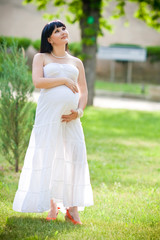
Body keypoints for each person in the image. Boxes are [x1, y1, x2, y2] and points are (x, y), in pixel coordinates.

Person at [13, 20, 94, 225]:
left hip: (71, 119)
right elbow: (38, 82)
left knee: (74, 159)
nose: (63, 32)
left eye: (64, 29)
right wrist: (64, 80)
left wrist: (79, 111)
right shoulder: (41, 57)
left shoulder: (76, 62)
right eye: (57, 31)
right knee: (48, 156)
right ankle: (52, 206)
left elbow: (83, 91)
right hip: (48, 117)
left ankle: (72, 209)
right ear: (49, 38)